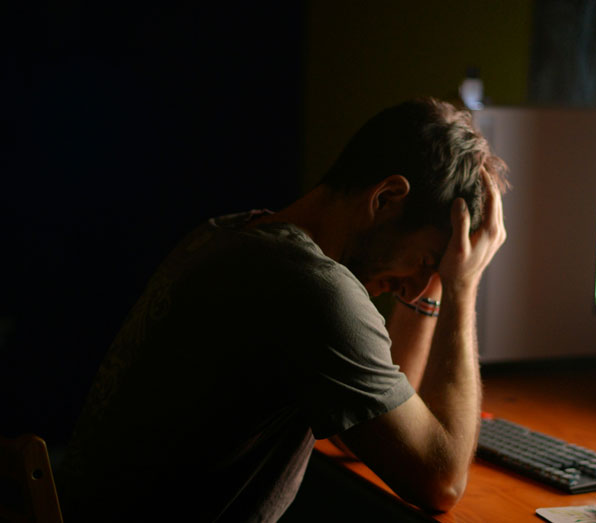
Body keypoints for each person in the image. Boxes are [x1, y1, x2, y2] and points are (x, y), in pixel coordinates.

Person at [55, 97, 508, 522]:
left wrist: (432, 285)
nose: (413, 292)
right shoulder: (314, 289)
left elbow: (378, 429)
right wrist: (461, 287)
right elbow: (442, 481)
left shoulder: (228, 236)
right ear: (386, 198)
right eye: (427, 262)